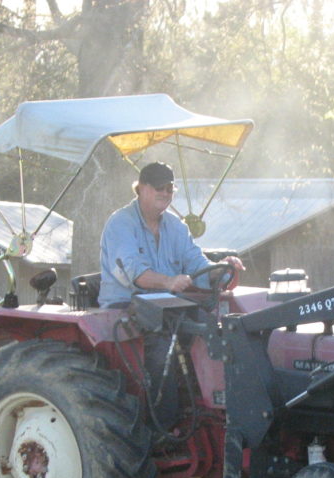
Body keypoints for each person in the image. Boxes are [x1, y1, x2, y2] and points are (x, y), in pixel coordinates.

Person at [97, 161, 244, 430]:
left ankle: (215, 411)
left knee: (213, 326)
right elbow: (134, 273)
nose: (165, 193)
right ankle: (161, 427)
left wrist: (221, 269)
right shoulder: (121, 224)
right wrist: (169, 281)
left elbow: (196, 264)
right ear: (141, 188)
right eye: (158, 188)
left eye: (169, 188)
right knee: (160, 344)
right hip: (125, 304)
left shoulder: (175, 227)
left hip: (167, 303)